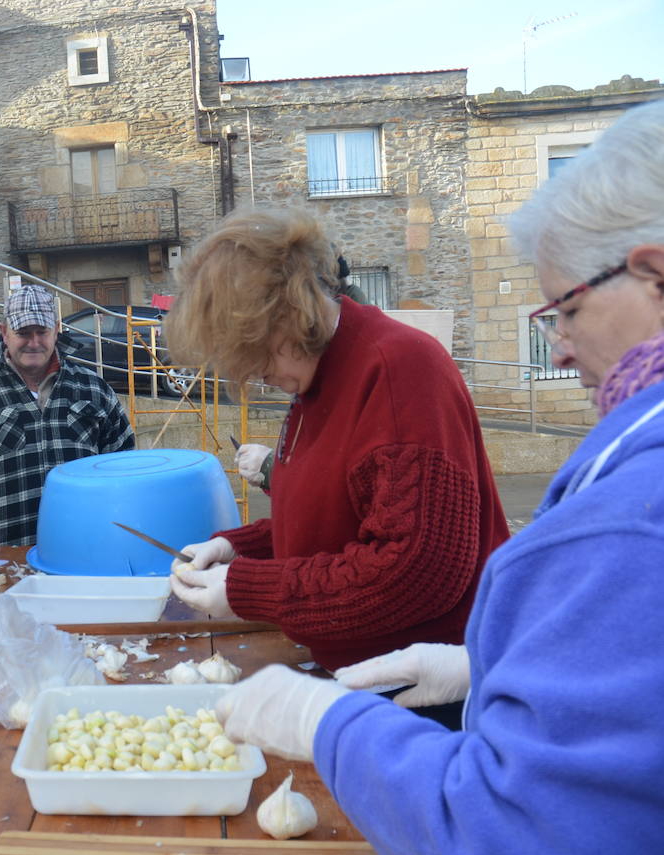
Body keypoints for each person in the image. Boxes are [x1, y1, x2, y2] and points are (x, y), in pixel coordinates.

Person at [212, 98, 664, 855]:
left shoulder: (401, 370)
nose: (557, 345)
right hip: (417, 699)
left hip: (418, 736)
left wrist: (320, 714)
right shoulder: (317, 390)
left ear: (654, 276)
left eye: (565, 309)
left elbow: (521, 842)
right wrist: (243, 548)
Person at [165, 208, 508, 686]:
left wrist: (247, 589)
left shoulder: (399, 370)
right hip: (352, 671)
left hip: (426, 692)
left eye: (253, 351)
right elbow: (335, 518)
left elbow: (414, 573)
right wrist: (237, 548)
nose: (254, 373)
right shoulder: (314, 379)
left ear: (283, 315)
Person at [0, 285, 135, 546]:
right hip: (3, 557)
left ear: (57, 329)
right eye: (23, 333)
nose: (34, 342)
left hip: (87, 548)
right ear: (4, 332)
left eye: (42, 332)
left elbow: (123, 463)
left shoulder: (93, 388)